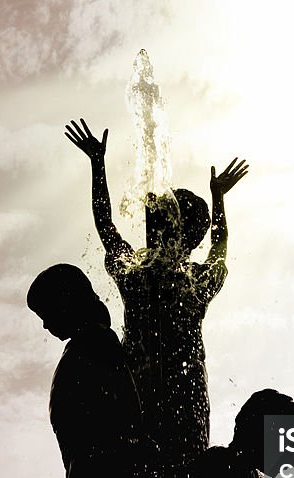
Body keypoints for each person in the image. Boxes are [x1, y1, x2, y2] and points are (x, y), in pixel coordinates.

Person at [64, 118, 248, 459]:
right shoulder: (195, 283)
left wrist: (98, 165)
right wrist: (218, 197)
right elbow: (219, 246)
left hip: (137, 399)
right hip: (186, 397)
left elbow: (106, 225)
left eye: (157, 219)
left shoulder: (137, 275)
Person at [26, 263, 158, 478]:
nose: (44, 324)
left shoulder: (97, 342)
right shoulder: (92, 343)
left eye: (46, 312)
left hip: (104, 476)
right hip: (91, 475)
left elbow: (128, 409)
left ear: (67, 300)